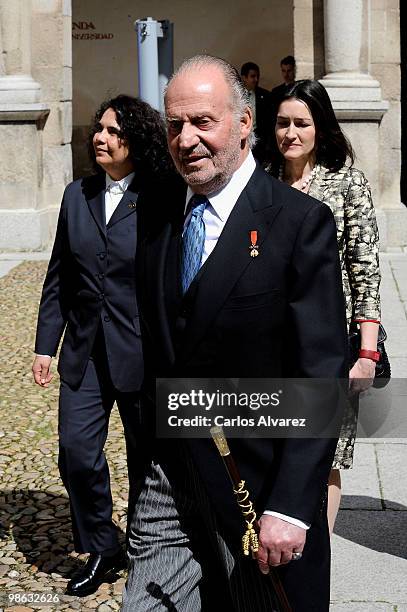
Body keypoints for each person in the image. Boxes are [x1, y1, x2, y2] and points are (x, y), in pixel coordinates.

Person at [123, 55, 348, 611]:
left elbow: (320, 372)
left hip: (255, 486)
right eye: (175, 124)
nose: (186, 139)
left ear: (245, 122)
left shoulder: (298, 223)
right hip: (169, 479)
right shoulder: (157, 217)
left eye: (203, 122)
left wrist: (293, 506)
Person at [32, 94, 174, 597]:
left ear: (136, 140)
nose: (101, 137)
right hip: (85, 351)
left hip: (141, 351)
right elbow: (59, 277)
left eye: (114, 131)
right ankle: (101, 545)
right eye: (100, 128)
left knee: (145, 459)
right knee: (75, 450)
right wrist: (45, 344)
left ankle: (145, 547)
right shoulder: (77, 195)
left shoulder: (163, 197)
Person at [265, 79, 381, 534]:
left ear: (321, 127)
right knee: (276, 442)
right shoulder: (263, 179)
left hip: (329, 341)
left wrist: (366, 353)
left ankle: (317, 558)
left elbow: (365, 270)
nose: (290, 133)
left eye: (301, 123)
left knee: (325, 451)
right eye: (282, 123)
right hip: (272, 338)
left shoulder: (346, 182)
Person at [240, 61, 270, 162]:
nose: (256, 79)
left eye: (257, 76)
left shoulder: (265, 95)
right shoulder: (237, 96)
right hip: (242, 138)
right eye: (252, 76)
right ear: (244, 77)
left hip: (260, 142)